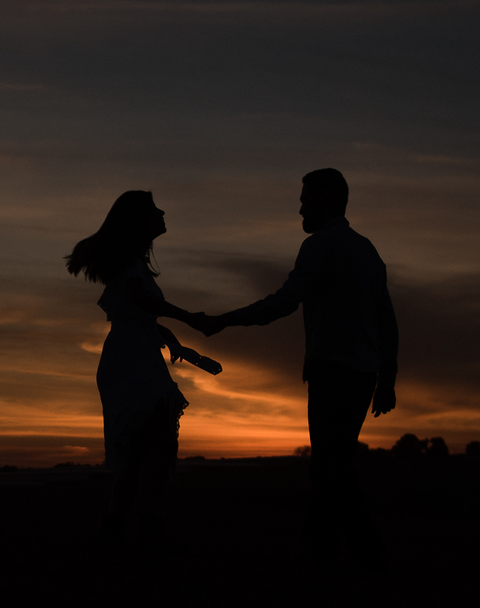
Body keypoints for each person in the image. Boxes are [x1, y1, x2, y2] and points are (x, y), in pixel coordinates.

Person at [198, 169, 398, 570]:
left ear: (326, 199)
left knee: (332, 467)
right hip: (362, 375)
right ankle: (322, 548)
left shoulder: (319, 246)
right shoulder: (368, 251)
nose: (300, 208)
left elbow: (284, 302)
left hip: (332, 372)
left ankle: (364, 553)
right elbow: (387, 320)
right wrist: (386, 379)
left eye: (306, 199)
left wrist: (226, 320)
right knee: (330, 464)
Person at [67, 190, 211, 551]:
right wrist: (187, 317)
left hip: (134, 354)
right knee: (155, 447)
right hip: (132, 360)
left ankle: (118, 530)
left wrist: (170, 338)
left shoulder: (131, 264)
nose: (162, 212)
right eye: (153, 210)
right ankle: (147, 528)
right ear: (138, 221)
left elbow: (135, 314)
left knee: (141, 449)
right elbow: (139, 300)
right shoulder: (131, 268)